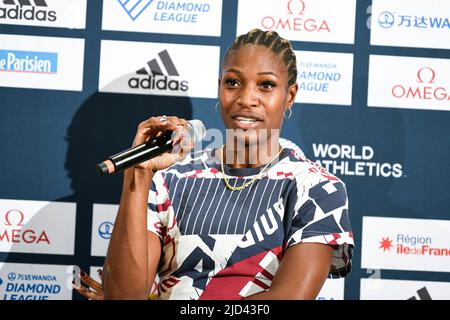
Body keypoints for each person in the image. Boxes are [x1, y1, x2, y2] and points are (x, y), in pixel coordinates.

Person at [82, 29, 354, 300]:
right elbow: (122, 296)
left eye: (266, 85)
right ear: (220, 87)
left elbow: (291, 298)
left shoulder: (316, 188)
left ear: (290, 96)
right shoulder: (169, 179)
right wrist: (138, 175)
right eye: (233, 83)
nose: (246, 99)